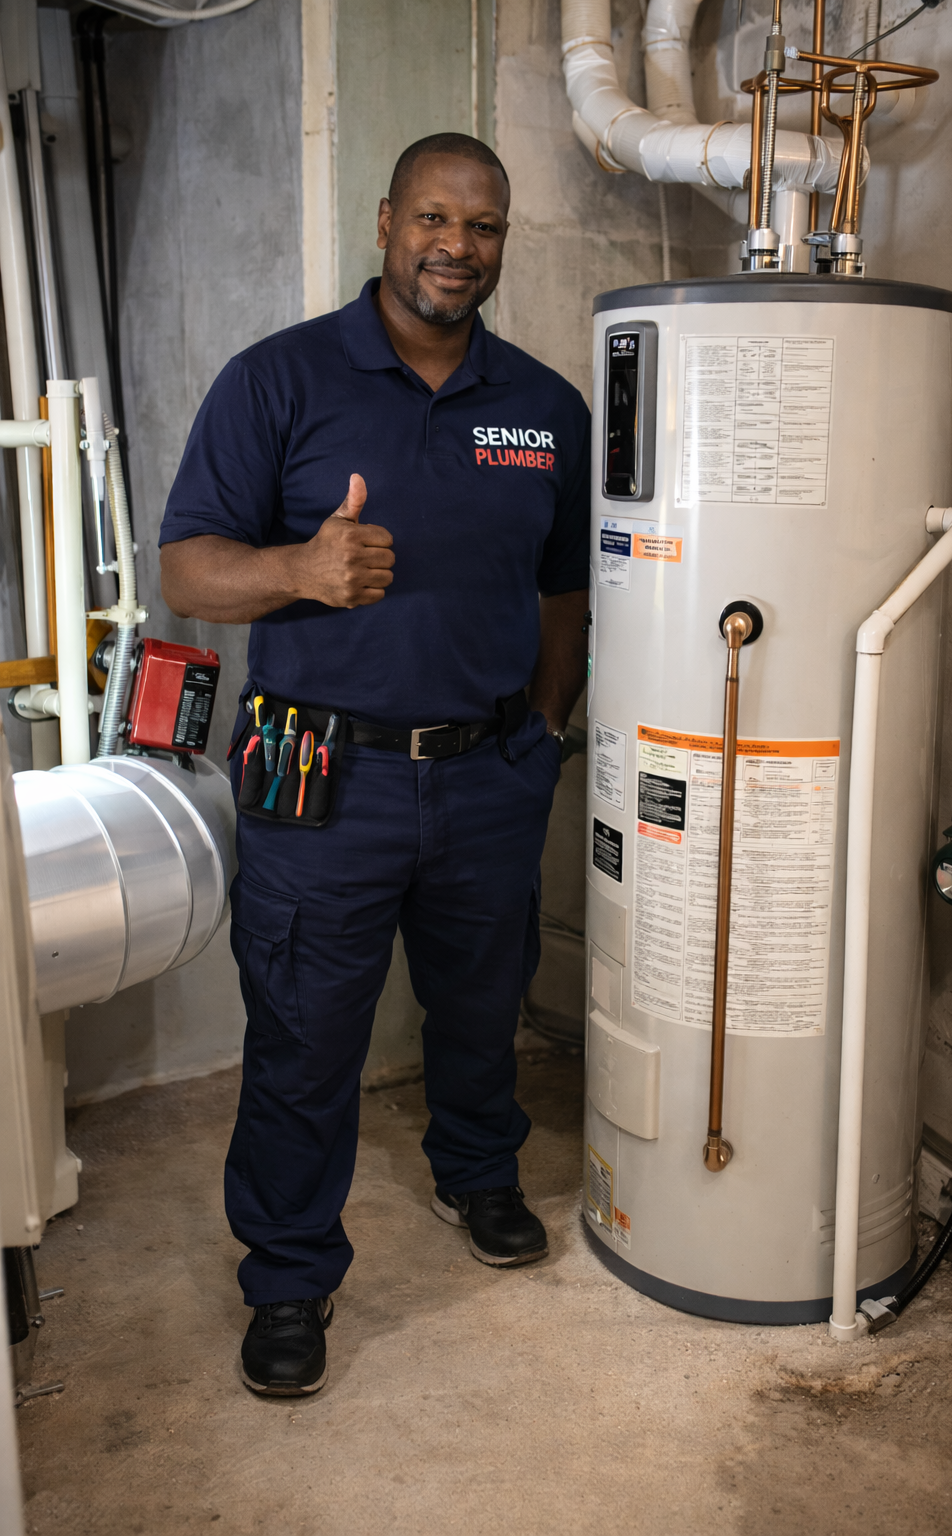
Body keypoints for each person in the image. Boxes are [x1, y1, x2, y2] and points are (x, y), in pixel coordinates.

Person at [159, 133, 590, 1397]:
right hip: (322, 786)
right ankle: (291, 1277)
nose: (457, 248)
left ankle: (477, 1175)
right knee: (303, 1038)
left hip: (488, 774)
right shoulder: (278, 380)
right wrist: (297, 568)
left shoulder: (544, 406)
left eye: (485, 228)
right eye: (436, 219)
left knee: (479, 1007)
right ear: (389, 220)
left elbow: (564, 587)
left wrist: (545, 726)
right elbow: (188, 566)